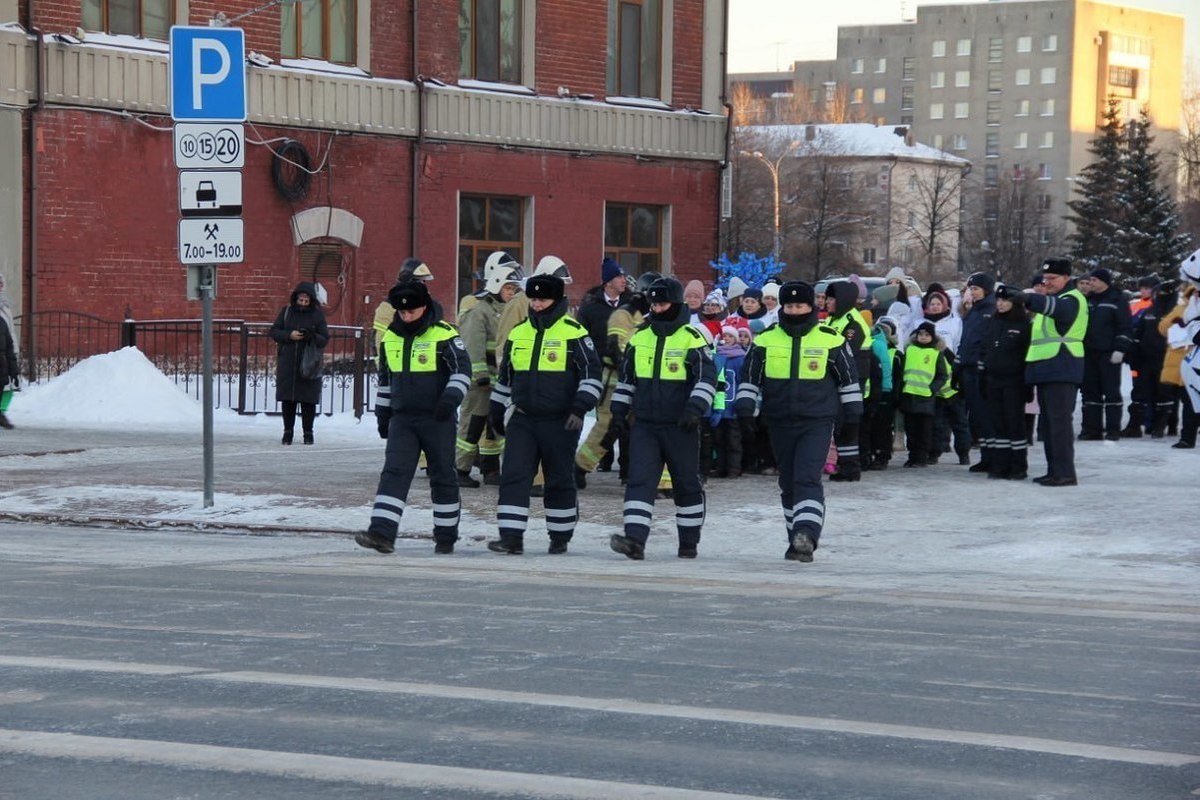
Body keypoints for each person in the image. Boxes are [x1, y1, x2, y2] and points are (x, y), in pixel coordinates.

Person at [735, 281, 863, 563]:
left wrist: (853, 414)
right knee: (789, 482)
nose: (794, 311)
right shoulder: (766, 340)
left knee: (806, 477)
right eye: (789, 306)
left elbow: (849, 379)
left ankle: (807, 533)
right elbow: (750, 378)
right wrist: (745, 409)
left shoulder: (830, 338)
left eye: (800, 306)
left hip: (817, 420)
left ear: (811, 307)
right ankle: (796, 539)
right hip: (779, 420)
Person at [486, 275, 602, 555]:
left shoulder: (575, 334)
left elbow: (592, 377)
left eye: (543, 300)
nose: (537, 305)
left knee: (559, 478)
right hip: (523, 418)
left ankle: (560, 536)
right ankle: (511, 537)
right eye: (534, 299)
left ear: (557, 301)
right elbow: (506, 377)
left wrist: (580, 406)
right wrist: (495, 407)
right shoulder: (518, 333)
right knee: (514, 476)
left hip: (562, 420)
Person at [356, 281, 472, 555]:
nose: (406, 316)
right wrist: (383, 413)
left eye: (412, 312)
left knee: (443, 476)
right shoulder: (390, 338)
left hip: (437, 418)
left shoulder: (445, 335)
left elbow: (462, 371)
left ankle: (446, 536)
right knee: (394, 474)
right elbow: (385, 379)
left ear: (424, 307)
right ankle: (382, 533)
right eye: (402, 312)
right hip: (403, 419)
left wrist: (449, 400)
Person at [608, 277, 716, 560]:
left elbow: (707, 378)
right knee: (639, 481)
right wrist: (618, 411)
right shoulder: (639, 337)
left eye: (663, 303)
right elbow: (627, 381)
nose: (657, 308)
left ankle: (689, 543)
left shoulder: (693, 338)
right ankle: (634, 540)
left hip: (681, 425)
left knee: (686, 484)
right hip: (645, 425)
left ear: (676, 304)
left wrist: (694, 409)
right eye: (654, 303)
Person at [999, 256, 1088, 487]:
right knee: (1048, 424)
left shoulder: (1071, 299)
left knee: (1059, 423)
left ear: (1066, 277)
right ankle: (1054, 470)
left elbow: (1056, 311)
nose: (1047, 282)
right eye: (1045, 278)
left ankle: (1065, 472)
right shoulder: (1056, 298)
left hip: (1062, 364)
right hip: (1048, 366)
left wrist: (1027, 298)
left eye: (1052, 278)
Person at [575, 271, 661, 488]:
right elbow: (617, 348)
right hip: (615, 382)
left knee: (641, 430)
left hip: (643, 383)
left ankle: (633, 473)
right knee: (608, 427)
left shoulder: (653, 317)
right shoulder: (624, 314)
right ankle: (579, 468)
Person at [455, 263, 522, 487]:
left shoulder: (509, 310)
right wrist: (480, 374)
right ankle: (461, 469)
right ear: (496, 286)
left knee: (494, 428)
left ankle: (491, 470)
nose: (511, 293)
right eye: (508, 288)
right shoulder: (480, 311)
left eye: (514, 289)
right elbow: (473, 345)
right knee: (472, 425)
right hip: (480, 382)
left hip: (499, 381)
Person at [981, 286, 1032, 480]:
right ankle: (1000, 464)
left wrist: (1027, 384)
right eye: (999, 300)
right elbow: (986, 349)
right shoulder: (994, 322)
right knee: (998, 423)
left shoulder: (1023, 324)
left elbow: (1027, 355)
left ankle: (1018, 465)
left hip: (1014, 380)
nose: (1000, 304)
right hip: (994, 379)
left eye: (1005, 301)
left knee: (1014, 423)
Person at [823, 280, 872, 481]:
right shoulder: (834, 319)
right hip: (839, 380)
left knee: (849, 425)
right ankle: (846, 465)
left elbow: (847, 354)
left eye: (831, 298)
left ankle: (851, 468)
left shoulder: (853, 322)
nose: (827, 302)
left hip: (852, 380)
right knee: (842, 425)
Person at [269, 281, 329, 445]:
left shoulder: (317, 315)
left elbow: (324, 338)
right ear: (295, 298)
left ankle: (308, 433)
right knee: (288, 400)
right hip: (288, 362)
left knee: (308, 400)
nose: (302, 303)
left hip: (309, 364)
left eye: (306, 301)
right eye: (300, 300)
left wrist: (311, 336)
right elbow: (274, 331)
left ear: (311, 301)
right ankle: (287, 432)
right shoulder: (287, 312)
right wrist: (289, 335)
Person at [1079, 268, 1133, 441]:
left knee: (1111, 392)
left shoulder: (1117, 299)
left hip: (1109, 353)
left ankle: (1113, 429)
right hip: (1089, 353)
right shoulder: (1088, 301)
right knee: (1090, 393)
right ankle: (1092, 429)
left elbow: (1125, 326)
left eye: (1094, 280)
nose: (1090, 283)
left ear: (1104, 281)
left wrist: (1120, 348)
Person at [959, 272, 997, 472]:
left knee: (986, 415)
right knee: (977, 415)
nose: (971, 292)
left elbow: (988, 341)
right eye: (970, 289)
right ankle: (985, 456)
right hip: (968, 366)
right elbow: (966, 338)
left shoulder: (991, 310)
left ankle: (992, 457)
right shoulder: (974, 311)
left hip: (981, 368)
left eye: (975, 289)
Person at [899, 321, 950, 468]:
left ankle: (921, 457)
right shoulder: (910, 350)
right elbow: (903, 371)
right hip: (909, 395)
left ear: (933, 337)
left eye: (927, 334)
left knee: (924, 430)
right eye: (921, 334)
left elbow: (942, 375)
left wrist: (932, 389)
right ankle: (912, 456)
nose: (923, 337)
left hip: (925, 398)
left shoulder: (935, 353)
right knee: (911, 429)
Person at [373, 257, 434, 349]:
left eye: (423, 282)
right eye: (419, 282)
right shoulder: (388, 308)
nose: (423, 285)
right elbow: (381, 342)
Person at [576, 257, 629, 346]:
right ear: (608, 282)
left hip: (624, 358)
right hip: (598, 358)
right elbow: (581, 335)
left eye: (624, 277)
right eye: (619, 277)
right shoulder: (590, 305)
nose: (624, 281)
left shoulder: (631, 303)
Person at [0, 273, 18, 430]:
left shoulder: (5, 306)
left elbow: (9, 330)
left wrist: (14, 352)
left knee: (8, 385)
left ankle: (2, 412)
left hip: (7, 349)